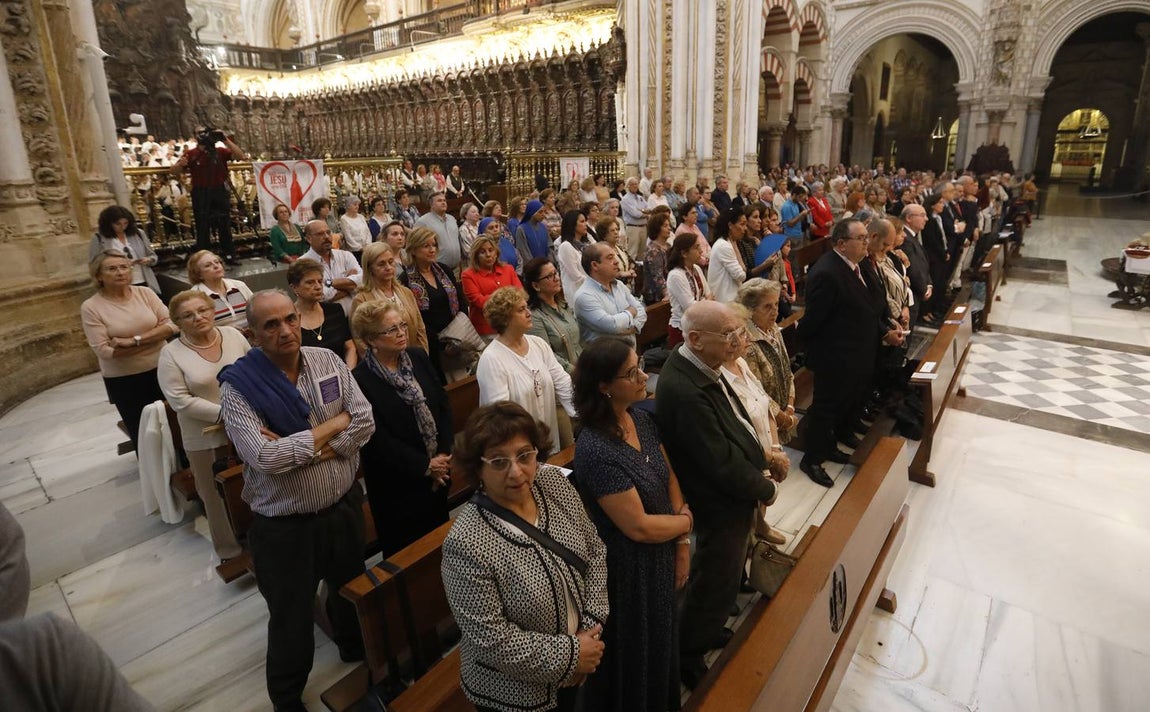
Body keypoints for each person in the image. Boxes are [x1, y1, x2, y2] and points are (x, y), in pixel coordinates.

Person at [219, 289, 375, 711]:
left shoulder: (326, 360)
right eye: (271, 325)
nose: (285, 330)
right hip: (286, 526)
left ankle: (353, 648)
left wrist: (307, 447)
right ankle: (287, 697)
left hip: (341, 506)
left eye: (290, 319)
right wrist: (334, 425)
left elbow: (364, 419)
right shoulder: (239, 389)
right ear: (253, 334)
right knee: (291, 616)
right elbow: (266, 457)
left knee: (349, 589)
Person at [440, 402, 608, 712]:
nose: (516, 471)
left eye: (524, 455)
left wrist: (590, 630)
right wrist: (572, 656)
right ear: (478, 468)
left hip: (582, 654)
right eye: (499, 461)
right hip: (515, 694)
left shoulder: (553, 483)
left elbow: (595, 550)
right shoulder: (466, 543)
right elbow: (492, 639)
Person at [653, 301, 778, 689]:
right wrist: (765, 487)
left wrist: (761, 456)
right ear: (694, 339)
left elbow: (733, 423)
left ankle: (707, 629)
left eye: (738, 331)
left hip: (727, 492)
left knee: (724, 574)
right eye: (728, 334)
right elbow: (719, 462)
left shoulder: (702, 365)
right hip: (716, 499)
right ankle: (688, 653)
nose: (738, 340)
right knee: (714, 578)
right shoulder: (685, 390)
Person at [571, 339, 690, 712]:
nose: (643, 376)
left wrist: (682, 543)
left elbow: (669, 476)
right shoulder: (594, 448)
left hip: (662, 551)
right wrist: (684, 522)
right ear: (604, 386)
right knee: (637, 652)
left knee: (663, 640)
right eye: (631, 373)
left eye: (639, 366)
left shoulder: (639, 418)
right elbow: (637, 527)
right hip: (629, 570)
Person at [797, 218, 904, 488]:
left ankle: (831, 444)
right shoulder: (826, 273)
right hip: (834, 357)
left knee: (845, 402)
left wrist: (884, 331)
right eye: (861, 238)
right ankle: (812, 459)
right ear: (842, 244)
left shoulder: (857, 266)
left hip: (858, 352)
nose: (867, 243)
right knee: (825, 410)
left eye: (867, 237)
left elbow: (869, 308)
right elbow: (812, 322)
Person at [351, 301, 452, 558]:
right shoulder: (360, 380)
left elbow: (442, 404)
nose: (401, 333)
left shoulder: (417, 357)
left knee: (443, 546)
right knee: (408, 556)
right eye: (391, 329)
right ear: (370, 339)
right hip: (397, 487)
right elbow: (376, 439)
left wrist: (442, 456)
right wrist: (425, 466)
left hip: (439, 474)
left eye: (402, 325)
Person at [157, 290, 249, 561]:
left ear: (212, 310)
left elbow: (255, 369)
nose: (198, 318)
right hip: (205, 436)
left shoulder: (233, 335)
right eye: (188, 315)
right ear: (177, 322)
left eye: (203, 310)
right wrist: (228, 414)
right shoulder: (170, 354)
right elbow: (180, 400)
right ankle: (230, 550)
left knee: (253, 484)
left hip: (248, 427)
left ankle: (259, 537)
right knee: (214, 495)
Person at [80, 250, 176, 448]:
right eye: (112, 269)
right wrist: (155, 338)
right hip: (126, 380)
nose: (120, 272)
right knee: (145, 435)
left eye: (124, 267)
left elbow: (172, 325)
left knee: (176, 426)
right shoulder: (91, 307)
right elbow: (105, 351)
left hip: (163, 368)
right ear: (99, 275)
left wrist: (134, 341)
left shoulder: (145, 293)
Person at [719, 305, 790, 546]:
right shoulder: (719, 378)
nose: (748, 336)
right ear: (725, 340)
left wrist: (776, 448)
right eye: (741, 332)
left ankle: (760, 525)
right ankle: (748, 540)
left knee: (762, 497)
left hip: (766, 449)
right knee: (749, 501)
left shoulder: (741, 363)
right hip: (748, 455)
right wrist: (769, 456)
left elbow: (764, 403)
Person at [476, 287, 577, 452]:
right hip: (516, 445)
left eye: (527, 307)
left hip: (548, 438)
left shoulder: (538, 344)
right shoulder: (491, 359)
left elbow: (562, 381)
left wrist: (582, 414)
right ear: (505, 318)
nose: (529, 313)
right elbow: (500, 414)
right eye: (521, 310)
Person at [170, 125, 246, 265]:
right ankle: (203, 259)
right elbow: (174, 172)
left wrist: (225, 139)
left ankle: (229, 255)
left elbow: (240, 156)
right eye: (199, 133)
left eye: (205, 133)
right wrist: (180, 165)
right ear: (195, 136)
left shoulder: (219, 151)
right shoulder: (191, 153)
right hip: (201, 191)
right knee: (202, 226)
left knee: (224, 224)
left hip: (219, 190)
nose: (203, 135)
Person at [400, 226, 467, 379]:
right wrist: (442, 343)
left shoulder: (444, 270)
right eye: (426, 246)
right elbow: (416, 317)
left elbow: (461, 300)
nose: (432, 250)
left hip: (458, 337)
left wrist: (459, 332)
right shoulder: (406, 279)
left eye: (434, 245)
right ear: (413, 250)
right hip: (432, 343)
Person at [736, 279, 797, 444]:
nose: (775, 311)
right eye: (767, 306)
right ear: (749, 310)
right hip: (764, 422)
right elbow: (756, 393)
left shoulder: (773, 328)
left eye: (776, 304)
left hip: (783, 411)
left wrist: (790, 406)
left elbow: (787, 369)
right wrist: (783, 418)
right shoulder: (746, 343)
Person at [350, 241, 428, 353]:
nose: (388, 267)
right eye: (381, 264)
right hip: (383, 360)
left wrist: (422, 356)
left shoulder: (406, 292)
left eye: (391, 262)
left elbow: (420, 329)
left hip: (413, 356)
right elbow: (360, 340)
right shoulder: (361, 300)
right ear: (370, 268)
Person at [573, 243, 648, 347]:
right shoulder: (584, 296)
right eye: (610, 258)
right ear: (595, 265)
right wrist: (630, 312)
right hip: (603, 356)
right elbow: (611, 325)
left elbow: (641, 312)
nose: (617, 261)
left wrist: (630, 328)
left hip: (629, 352)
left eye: (615, 256)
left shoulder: (619, 285)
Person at [288, 258, 357, 370]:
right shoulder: (289, 320)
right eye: (310, 282)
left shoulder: (335, 310)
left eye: (320, 281)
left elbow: (350, 347)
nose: (318, 287)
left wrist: (349, 373)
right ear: (294, 287)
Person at [524, 257, 582, 374]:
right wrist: (575, 372)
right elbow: (546, 355)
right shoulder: (534, 316)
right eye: (549, 276)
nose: (557, 278)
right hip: (563, 375)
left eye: (556, 273)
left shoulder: (563, 305)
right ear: (535, 285)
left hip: (582, 368)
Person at [87, 205, 160, 294]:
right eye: (118, 224)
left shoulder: (138, 234)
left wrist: (148, 260)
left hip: (143, 279)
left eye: (125, 223)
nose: (122, 227)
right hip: (117, 283)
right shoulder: (99, 238)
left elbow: (153, 256)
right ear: (109, 224)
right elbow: (94, 264)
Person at [461, 236, 523, 338]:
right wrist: (508, 297)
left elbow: (519, 293)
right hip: (486, 330)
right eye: (482, 252)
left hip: (512, 325)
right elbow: (480, 302)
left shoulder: (508, 269)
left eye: (491, 250)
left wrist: (496, 298)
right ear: (476, 256)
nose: (488, 255)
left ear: (496, 252)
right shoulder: (468, 275)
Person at [300, 219, 362, 317]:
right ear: (309, 239)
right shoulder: (303, 264)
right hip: (326, 319)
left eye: (328, 232)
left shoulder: (345, 255)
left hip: (355, 315)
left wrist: (328, 283)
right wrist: (348, 286)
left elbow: (362, 282)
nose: (326, 237)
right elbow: (320, 296)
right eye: (320, 234)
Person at [187, 249, 254, 331]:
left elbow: (256, 312)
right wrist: (225, 331)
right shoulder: (195, 296)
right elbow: (195, 329)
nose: (216, 266)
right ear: (199, 274)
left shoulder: (239, 285)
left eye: (217, 262)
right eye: (208, 265)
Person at [666, 232, 711, 346]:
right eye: (696, 247)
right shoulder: (676, 275)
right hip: (682, 329)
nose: (701, 251)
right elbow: (689, 306)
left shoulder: (696, 268)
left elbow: (709, 294)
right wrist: (707, 302)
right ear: (684, 253)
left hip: (699, 324)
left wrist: (705, 301)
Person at [707, 208, 749, 303]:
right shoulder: (723, 246)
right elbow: (741, 275)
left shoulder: (729, 243)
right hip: (726, 301)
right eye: (742, 224)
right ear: (730, 225)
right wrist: (736, 250)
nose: (745, 228)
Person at [414, 192, 463, 271]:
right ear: (431, 205)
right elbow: (415, 245)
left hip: (456, 269)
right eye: (439, 201)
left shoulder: (452, 219)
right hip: (436, 270)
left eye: (444, 200)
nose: (443, 203)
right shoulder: (423, 222)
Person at [556, 210, 594, 302]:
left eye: (585, 221)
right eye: (582, 221)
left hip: (591, 290)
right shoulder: (565, 246)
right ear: (572, 224)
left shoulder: (585, 244)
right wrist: (596, 282)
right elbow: (575, 276)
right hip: (576, 292)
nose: (585, 224)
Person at [596, 215, 636, 293]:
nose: (616, 232)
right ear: (604, 234)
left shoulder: (619, 247)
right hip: (613, 289)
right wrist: (622, 274)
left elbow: (632, 262)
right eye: (612, 230)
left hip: (628, 288)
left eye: (617, 229)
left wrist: (631, 271)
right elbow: (605, 273)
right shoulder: (601, 251)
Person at [642, 211, 673, 304]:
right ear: (657, 229)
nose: (669, 228)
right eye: (665, 226)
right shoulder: (653, 251)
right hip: (655, 296)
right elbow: (657, 276)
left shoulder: (668, 246)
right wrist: (666, 293)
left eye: (669, 225)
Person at [515, 198, 552, 266]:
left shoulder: (543, 227)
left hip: (546, 266)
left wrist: (548, 263)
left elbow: (549, 247)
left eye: (544, 212)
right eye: (540, 212)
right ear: (532, 213)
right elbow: (523, 252)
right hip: (531, 268)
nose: (543, 214)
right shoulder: (521, 229)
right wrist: (535, 267)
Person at [620, 177, 648, 260]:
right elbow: (635, 214)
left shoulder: (640, 197)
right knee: (632, 252)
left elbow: (649, 208)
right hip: (633, 227)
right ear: (628, 186)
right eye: (633, 184)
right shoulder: (625, 199)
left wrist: (641, 210)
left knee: (643, 253)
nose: (635, 186)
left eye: (636, 184)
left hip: (643, 227)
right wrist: (644, 212)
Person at [338, 195, 371, 263]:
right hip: (354, 252)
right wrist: (360, 248)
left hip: (367, 249)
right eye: (355, 204)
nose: (357, 206)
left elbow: (367, 232)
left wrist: (368, 245)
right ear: (348, 206)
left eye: (358, 204)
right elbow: (348, 237)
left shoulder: (361, 217)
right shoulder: (344, 219)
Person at [675, 202, 709, 268]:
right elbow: (690, 253)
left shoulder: (695, 227)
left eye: (696, 212)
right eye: (693, 213)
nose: (696, 215)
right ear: (685, 217)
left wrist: (711, 256)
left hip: (706, 259)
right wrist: (705, 262)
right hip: (696, 264)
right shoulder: (681, 230)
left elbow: (705, 243)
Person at [458, 202, 482, 269]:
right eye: (473, 212)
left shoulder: (481, 224)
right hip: (473, 265)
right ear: (465, 215)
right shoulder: (463, 230)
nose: (477, 214)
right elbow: (467, 252)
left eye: (477, 212)